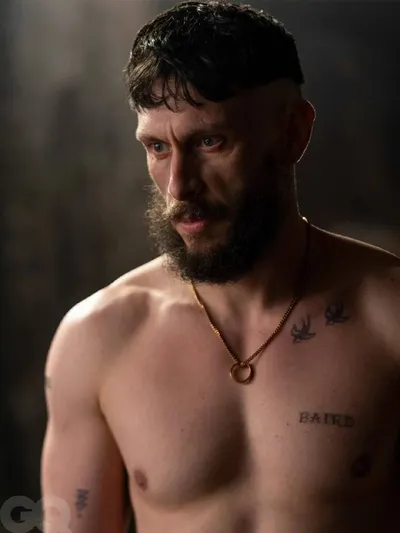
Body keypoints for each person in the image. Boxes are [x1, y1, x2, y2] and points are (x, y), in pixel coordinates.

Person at [41, 1, 400, 532]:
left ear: (293, 133)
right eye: (158, 147)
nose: (179, 186)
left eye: (210, 142)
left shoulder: (389, 317)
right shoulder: (99, 337)